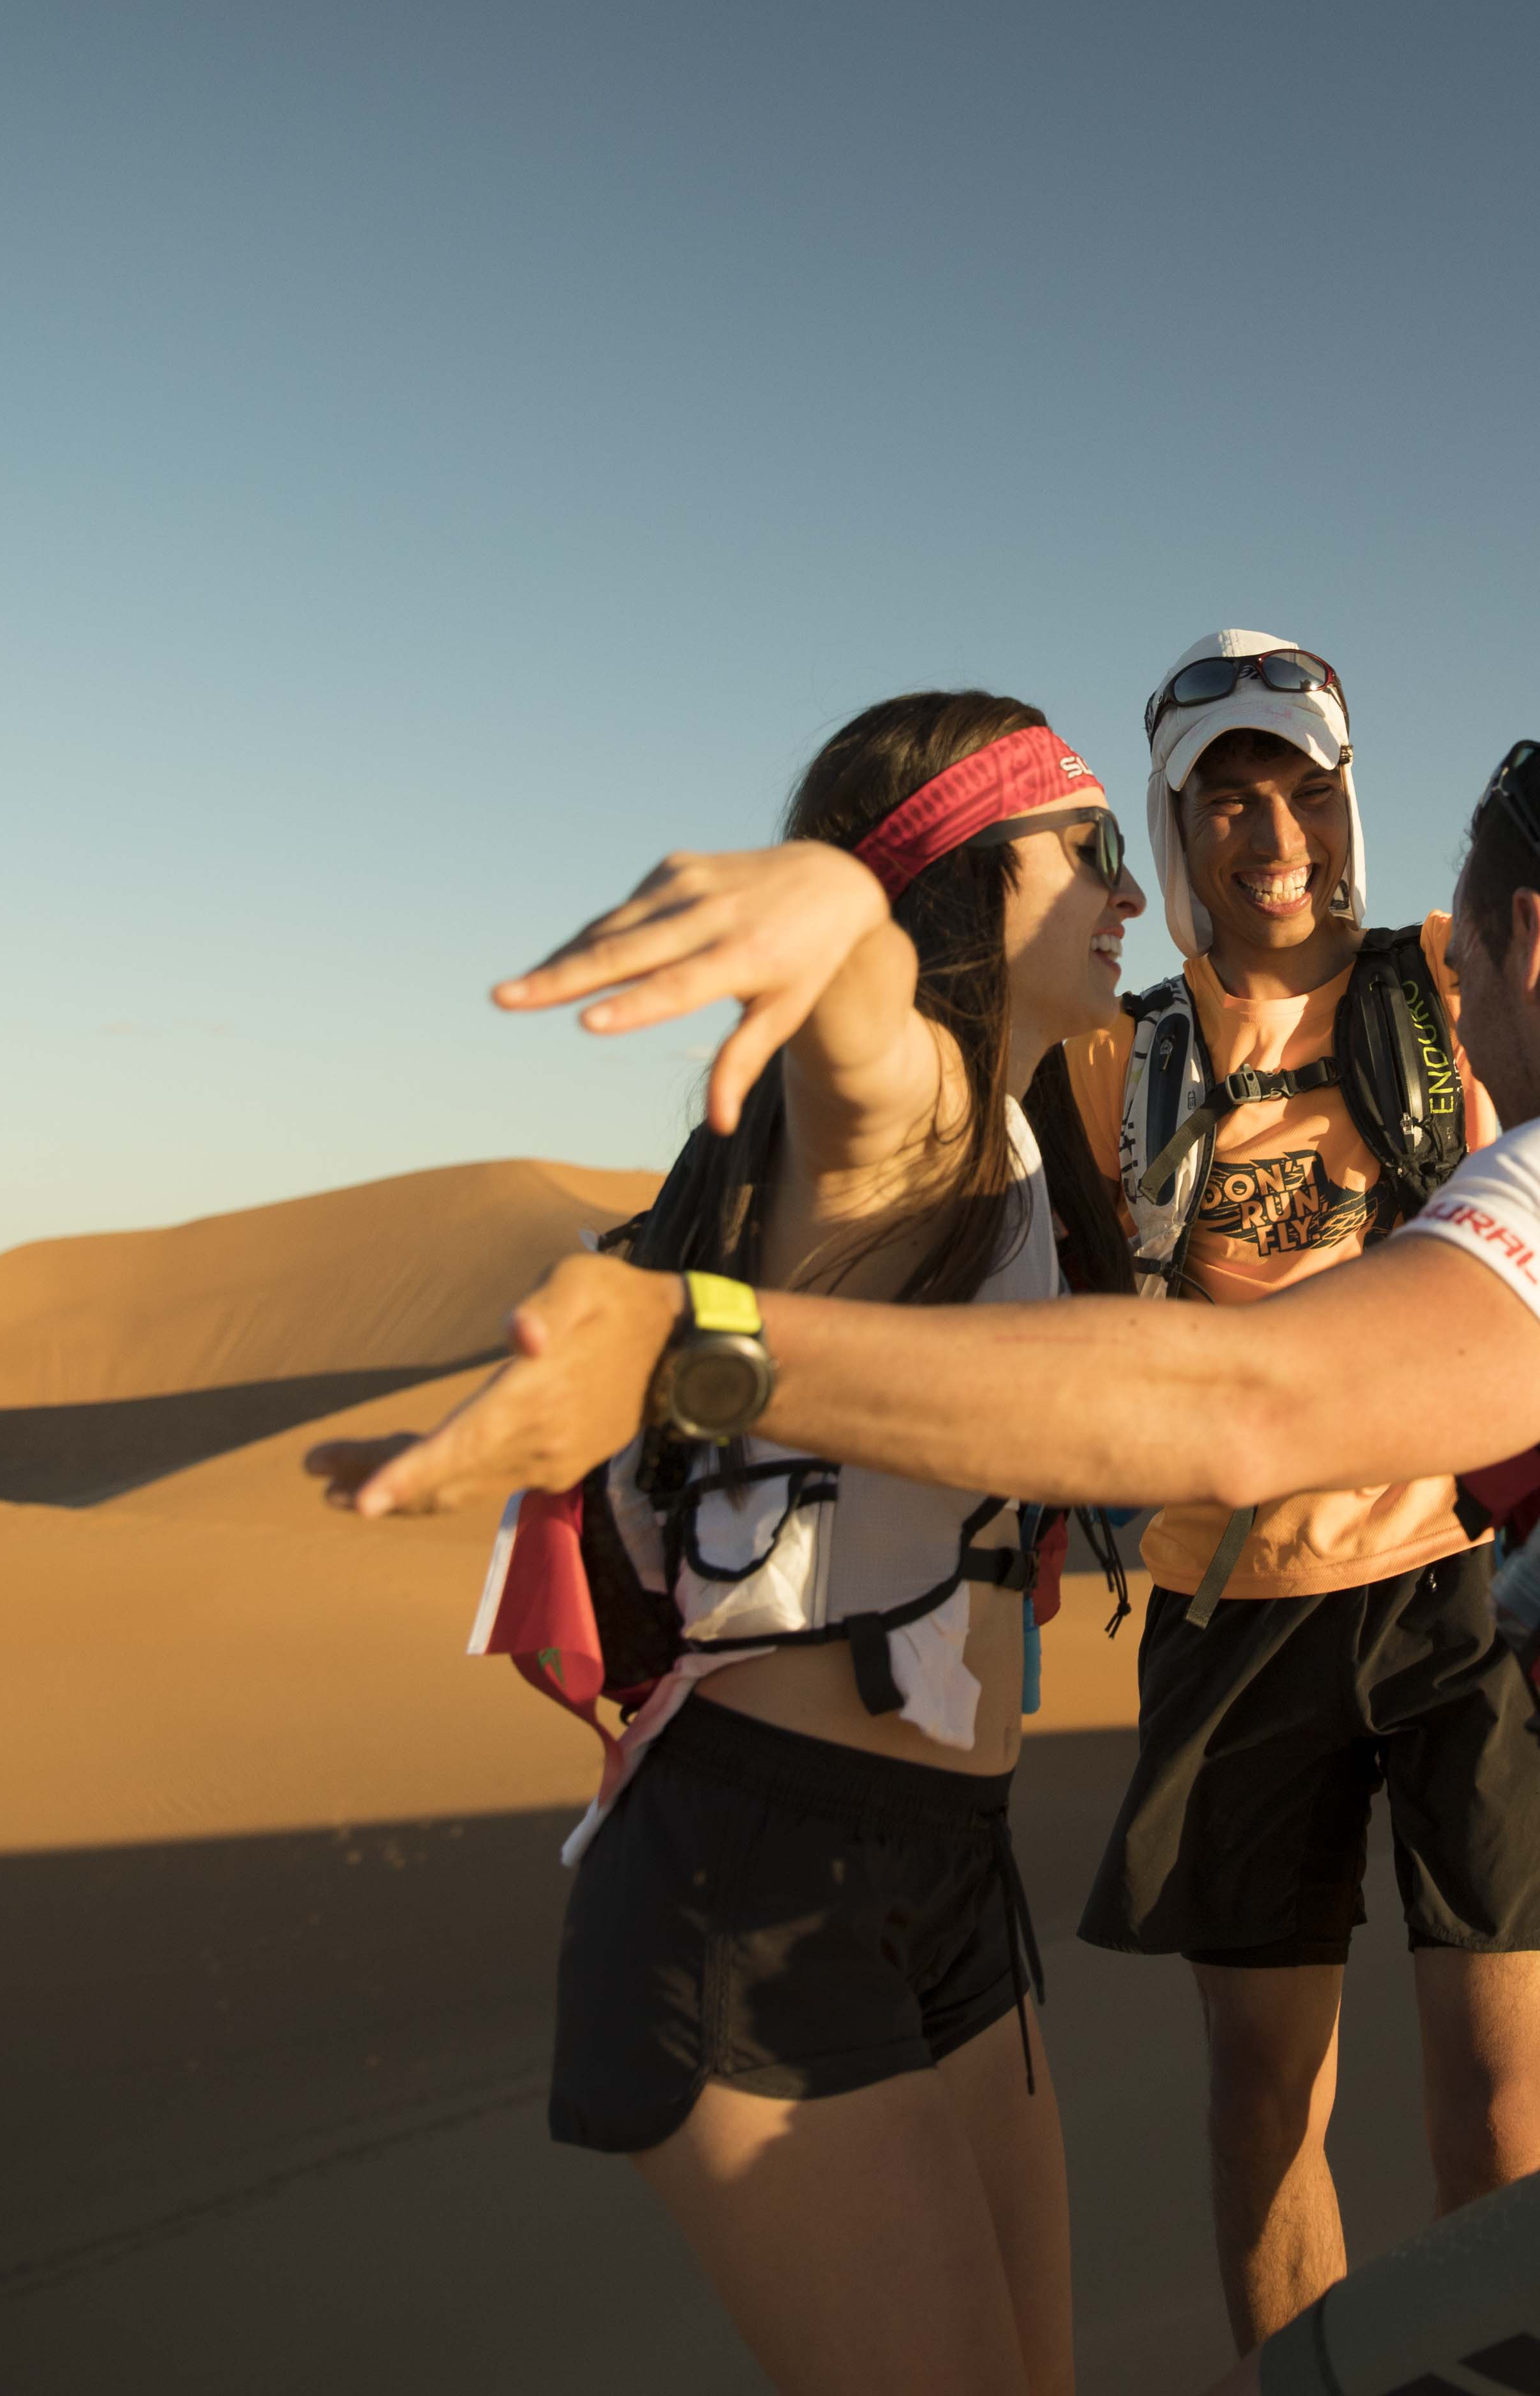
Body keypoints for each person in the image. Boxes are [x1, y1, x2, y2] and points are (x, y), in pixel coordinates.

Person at [355, 477, 1540, 2396]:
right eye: (1157, 826)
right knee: (1257, 2129)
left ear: (1523, 943)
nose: (1437, 972)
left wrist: (709, 1349)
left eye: (1465, 942)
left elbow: (1240, 1406)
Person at [319, 690, 1144, 2396]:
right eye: (1086, 848)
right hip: (760, 1882)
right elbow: (862, 1020)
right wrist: (837, 907)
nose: (1124, 890)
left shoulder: (1015, 1130)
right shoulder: (906, 1117)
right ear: (959, 880)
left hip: (945, 1870)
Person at [1077, 632, 1540, 2352]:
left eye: (1303, 788)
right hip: (1230, 1612)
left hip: (1470, 1588)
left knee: (1500, 2106)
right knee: (1263, 2100)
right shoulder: (1115, 1059)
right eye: (1229, 797)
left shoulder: (1450, 982)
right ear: (1173, 825)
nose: (1274, 834)